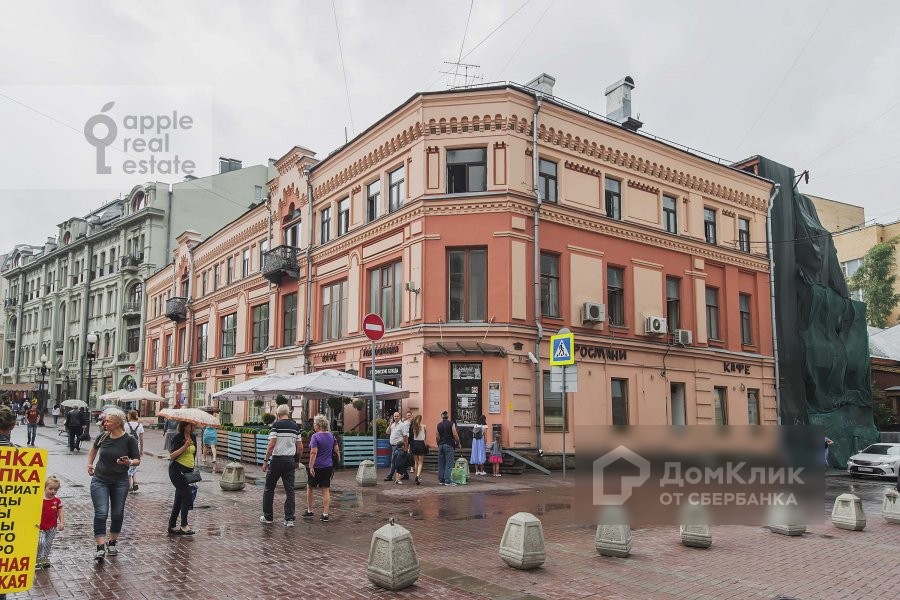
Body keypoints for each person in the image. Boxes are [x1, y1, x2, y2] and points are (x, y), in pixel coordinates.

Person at [87, 408, 141, 561]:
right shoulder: (102, 436)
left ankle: (112, 543)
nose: (105, 423)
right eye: (105, 421)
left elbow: (137, 459)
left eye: (108, 421)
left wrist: (129, 462)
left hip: (120, 481)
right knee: (102, 512)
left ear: (117, 423)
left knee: (117, 513)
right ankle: (100, 547)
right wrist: (89, 464)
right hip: (100, 479)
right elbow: (94, 449)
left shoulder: (129, 439)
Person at [260, 404, 302, 527]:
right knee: (290, 490)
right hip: (290, 461)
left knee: (269, 488)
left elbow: (271, 445)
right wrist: (297, 461)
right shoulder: (295, 427)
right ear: (288, 413)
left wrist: (265, 460)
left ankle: (268, 517)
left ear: (278, 415)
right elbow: (300, 447)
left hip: (277, 460)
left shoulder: (276, 426)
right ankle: (289, 519)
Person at [303, 414, 339, 522]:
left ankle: (310, 510)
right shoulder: (331, 436)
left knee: (310, 487)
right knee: (325, 489)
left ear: (318, 425)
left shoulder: (315, 436)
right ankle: (325, 514)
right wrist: (336, 462)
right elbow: (337, 449)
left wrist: (311, 466)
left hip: (317, 466)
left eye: (314, 424)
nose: (313, 426)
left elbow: (313, 452)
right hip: (328, 466)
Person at [167, 421, 198, 535]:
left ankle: (171, 525)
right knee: (187, 495)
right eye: (192, 425)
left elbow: (193, 454)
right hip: (177, 471)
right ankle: (184, 525)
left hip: (188, 471)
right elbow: (172, 455)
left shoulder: (193, 437)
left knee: (179, 499)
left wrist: (192, 467)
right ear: (185, 426)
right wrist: (185, 446)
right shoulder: (178, 437)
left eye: (194, 425)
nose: (194, 427)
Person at [37, 475, 65, 569]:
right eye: (50, 489)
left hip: (52, 528)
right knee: (41, 542)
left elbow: (60, 511)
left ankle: (44, 559)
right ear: (45, 488)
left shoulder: (57, 501)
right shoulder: (39, 500)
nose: (53, 491)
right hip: (40, 527)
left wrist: (62, 522)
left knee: (48, 544)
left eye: (55, 489)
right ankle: (37, 558)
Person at [436, 410, 461, 486]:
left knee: (441, 463)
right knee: (449, 463)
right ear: (448, 416)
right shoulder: (451, 424)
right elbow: (455, 434)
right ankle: (447, 480)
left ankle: (441, 480)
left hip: (441, 445)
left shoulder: (438, 425)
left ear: (442, 416)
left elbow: (437, 436)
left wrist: (438, 444)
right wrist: (458, 443)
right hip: (449, 445)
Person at [383, 411, 409, 482]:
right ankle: (406, 475)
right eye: (395, 416)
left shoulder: (402, 425)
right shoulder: (393, 424)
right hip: (392, 446)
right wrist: (390, 424)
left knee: (393, 461)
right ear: (393, 417)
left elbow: (405, 436)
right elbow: (387, 432)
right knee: (399, 462)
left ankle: (390, 476)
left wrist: (406, 447)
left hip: (399, 447)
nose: (396, 417)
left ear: (399, 416)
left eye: (397, 416)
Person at [124, 411, 144, 492]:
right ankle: (135, 481)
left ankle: (129, 484)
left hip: (127, 447)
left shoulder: (126, 425)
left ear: (129, 416)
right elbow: (141, 439)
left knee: (128, 463)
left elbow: (123, 436)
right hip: (136, 447)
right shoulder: (140, 425)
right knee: (134, 463)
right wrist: (142, 449)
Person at [409, 414, 426, 485]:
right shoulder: (424, 426)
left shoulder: (413, 427)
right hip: (421, 444)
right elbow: (425, 437)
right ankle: (418, 476)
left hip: (414, 444)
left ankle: (416, 476)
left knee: (416, 462)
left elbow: (410, 437)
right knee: (420, 462)